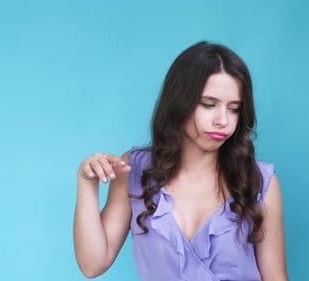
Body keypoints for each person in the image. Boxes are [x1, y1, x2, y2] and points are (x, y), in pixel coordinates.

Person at [73, 41, 288, 281]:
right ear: (180, 102)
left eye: (234, 109)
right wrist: (87, 183)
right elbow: (92, 265)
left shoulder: (259, 181)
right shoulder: (135, 170)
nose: (223, 120)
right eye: (209, 104)